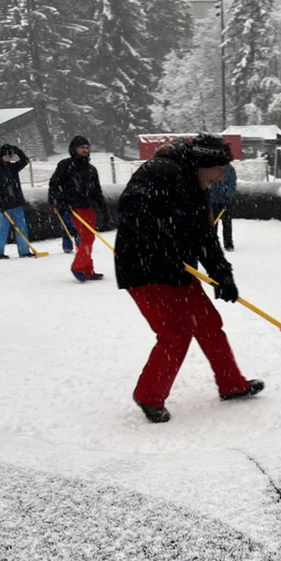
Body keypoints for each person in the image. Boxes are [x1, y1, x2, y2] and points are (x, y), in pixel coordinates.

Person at [115, 133, 264, 423]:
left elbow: (205, 237)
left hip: (178, 268)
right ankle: (148, 395)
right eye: (220, 169)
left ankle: (232, 384)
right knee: (176, 332)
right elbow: (131, 205)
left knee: (209, 322)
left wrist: (222, 274)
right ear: (205, 163)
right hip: (143, 268)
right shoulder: (160, 170)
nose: (221, 177)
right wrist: (164, 244)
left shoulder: (197, 189)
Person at [49, 135, 106, 281]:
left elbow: (97, 190)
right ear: (74, 149)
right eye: (82, 148)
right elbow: (54, 184)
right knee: (86, 237)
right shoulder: (65, 165)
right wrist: (57, 202)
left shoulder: (91, 169)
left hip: (89, 206)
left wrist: (102, 207)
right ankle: (78, 267)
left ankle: (88, 269)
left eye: (87, 148)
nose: (85, 150)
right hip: (74, 207)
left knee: (89, 238)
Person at [0, 143, 33, 259]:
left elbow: (25, 160)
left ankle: (24, 251)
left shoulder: (13, 167)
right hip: (5, 205)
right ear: (0, 157)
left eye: (10, 156)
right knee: (3, 229)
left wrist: (17, 150)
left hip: (17, 203)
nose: (8, 159)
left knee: (21, 227)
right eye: (6, 156)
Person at [208, 142, 237, 251]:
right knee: (212, 225)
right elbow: (209, 183)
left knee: (227, 224)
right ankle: (212, 243)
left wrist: (227, 196)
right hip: (213, 201)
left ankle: (228, 244)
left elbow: (232, 184)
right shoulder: (212, 169)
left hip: (225, 201)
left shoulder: (230, 170)